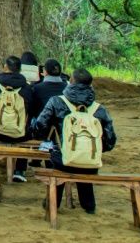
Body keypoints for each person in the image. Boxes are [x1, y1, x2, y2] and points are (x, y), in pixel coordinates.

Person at [30, 68, 117, 214]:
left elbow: (40, 128)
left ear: (70, 82)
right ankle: (89, 206)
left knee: (58, 156)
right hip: (90, 163)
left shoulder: (56, 102)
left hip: (62, 161)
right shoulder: (99, 109)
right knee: (85, 162)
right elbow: (110, 140)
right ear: (91, 85)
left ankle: (53, 203)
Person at [0, 55, 34, 181]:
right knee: (26, 128)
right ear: (20, 69)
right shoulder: (27, 87)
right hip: (20, 134)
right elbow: (31, 110)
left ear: (5, 67)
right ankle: (19, 170)